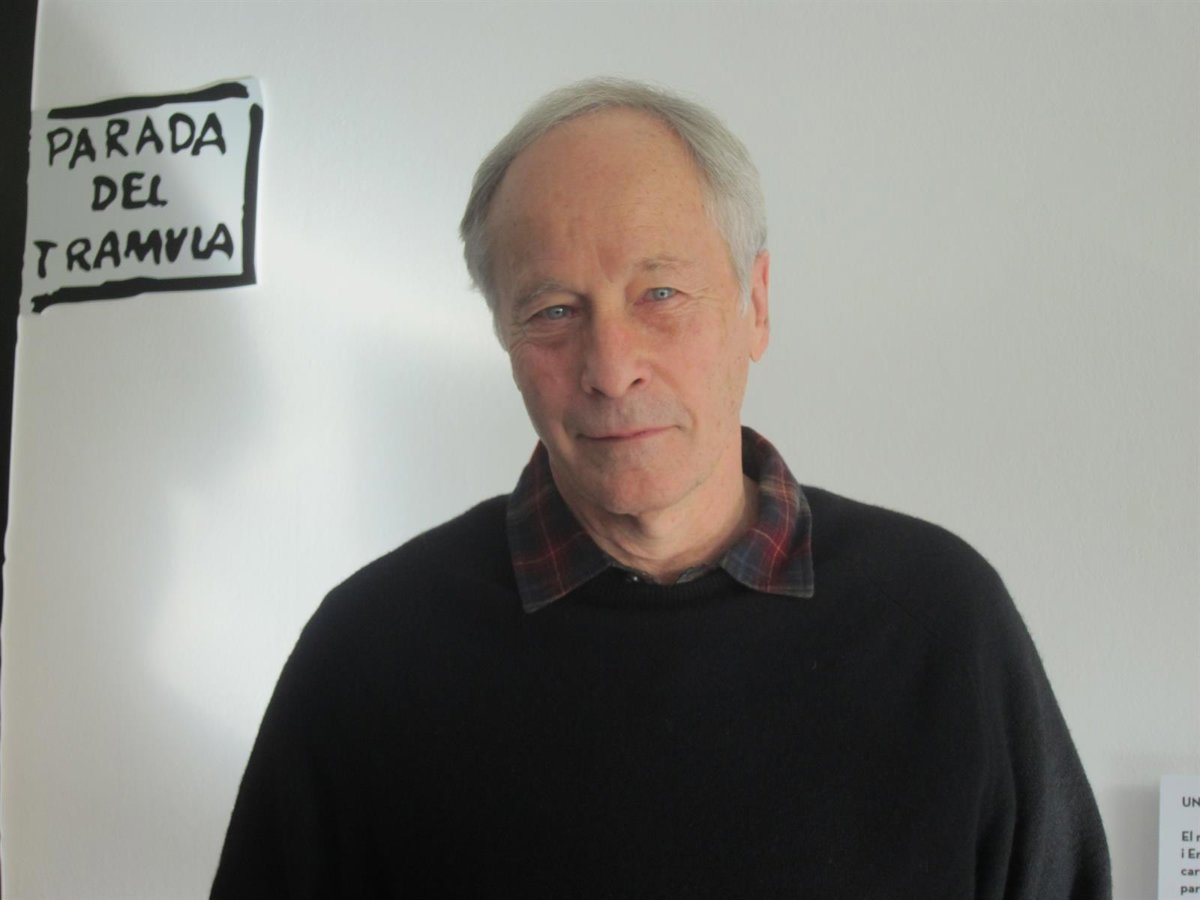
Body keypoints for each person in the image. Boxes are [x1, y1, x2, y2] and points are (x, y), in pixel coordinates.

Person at [211, 77, 1111, 898]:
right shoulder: (371, 655)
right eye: (553, 311)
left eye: (661, 294)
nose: (611, 369)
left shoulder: (941, 622)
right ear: (504, 339)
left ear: (756, 304)